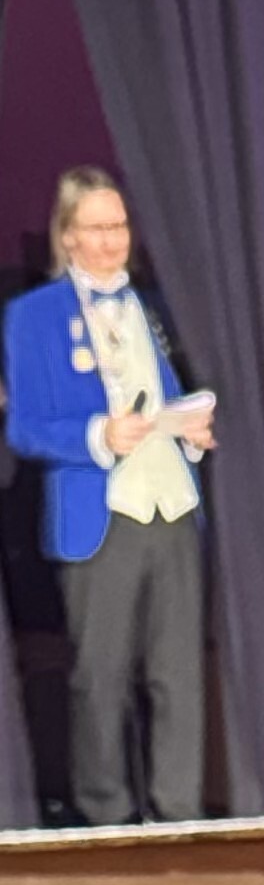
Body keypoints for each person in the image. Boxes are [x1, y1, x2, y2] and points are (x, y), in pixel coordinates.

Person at [2, 166, 213, 826]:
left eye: (119, 225)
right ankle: (108, 819)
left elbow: (173, 391)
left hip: (171, 506)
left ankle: (180, 816)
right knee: (101, 679)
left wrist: (191, 430)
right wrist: (97, 434)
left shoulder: (156, 306)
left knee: (178, 677)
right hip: (99, 515)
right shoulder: (34, 316)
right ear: (67, 235)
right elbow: (24, 426)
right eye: (96, 228)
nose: (111, 240)